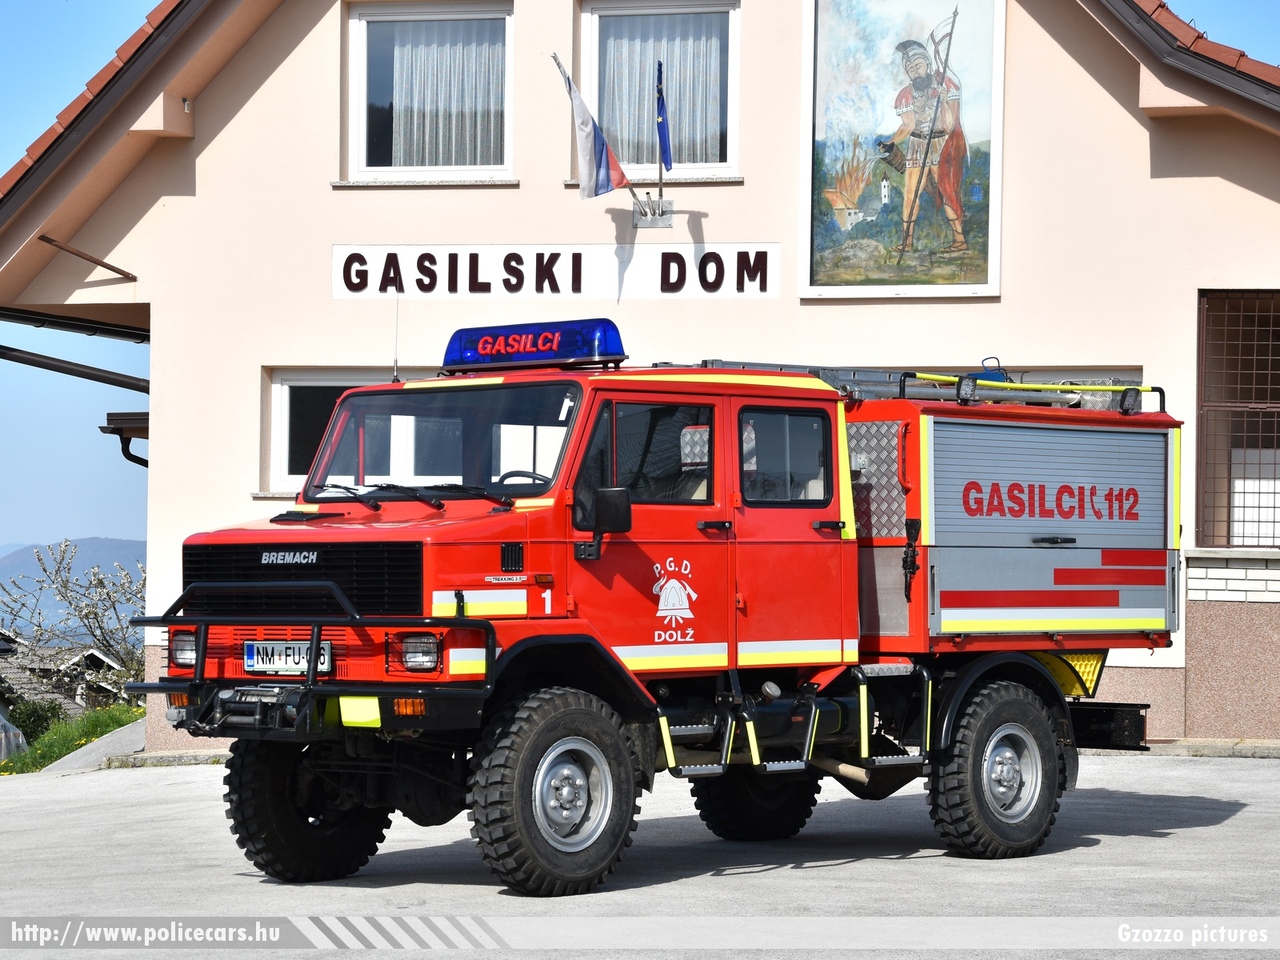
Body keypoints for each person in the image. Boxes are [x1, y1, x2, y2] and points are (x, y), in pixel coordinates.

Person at [880, 39, 967, 254]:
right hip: (916, 146)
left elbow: (949, 126)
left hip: (940, 144)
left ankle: (959, 240)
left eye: (917, 66)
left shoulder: (945, 85)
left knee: (946, 190)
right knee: (911, 194)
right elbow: (908, 125)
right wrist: (891, 142)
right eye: (910, 69)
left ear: (927, 64)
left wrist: (945, 102)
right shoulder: (906, 94)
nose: (914, 72)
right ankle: (907, 243)